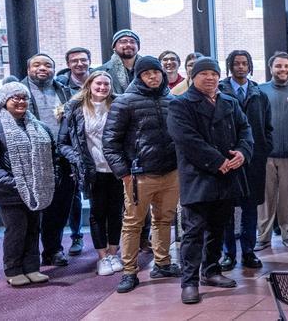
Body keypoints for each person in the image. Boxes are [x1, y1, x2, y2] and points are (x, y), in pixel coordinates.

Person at [167, 56, 253, 305]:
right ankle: (189, 282)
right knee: (193, 231)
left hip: (227, 175)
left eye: (214, 74)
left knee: (219, 227)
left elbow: (246, 129)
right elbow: (186, 139)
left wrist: (243, 152)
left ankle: (211, 270)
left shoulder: (229, 102)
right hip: (198, 176)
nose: (210, 78)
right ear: (193, 77)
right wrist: (217, 161)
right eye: (204, 73)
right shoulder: (180, 104)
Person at [104, 56, 181, 294]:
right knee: (132, 224)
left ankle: (163, 263)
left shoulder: (172, 100)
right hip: (139, 175)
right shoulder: (124, 101)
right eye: (147, 73)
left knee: (164, 220)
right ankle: (129, 271)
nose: (153, 77)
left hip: (171, 172)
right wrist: (124, 173)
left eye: (156, 72)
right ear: (139, 76)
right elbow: (110, 142)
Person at [0, 82, 57, 287]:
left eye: (24, 98)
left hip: (36, 190)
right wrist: (16, 184)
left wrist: (48, 178)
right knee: (16, 230)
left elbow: (51, 157)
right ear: (5, 101)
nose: (21, 102)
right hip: (9, 192)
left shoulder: (39, 127)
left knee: (33, 229)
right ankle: (13, 270)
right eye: (15, 98)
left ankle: (32, 268)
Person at [59, 70, 124, 276]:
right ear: (89, 85)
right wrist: (78, 159)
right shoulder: (75, 109)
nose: (102, 87)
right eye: (98, 84)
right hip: (92, 170)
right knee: (97, 213)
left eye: (106, 84)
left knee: (116, 213)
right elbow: (63, 143)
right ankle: (102, 257)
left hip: (116, 169)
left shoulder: (119, 105)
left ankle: (113, 253)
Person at [17, 54, 74, 268]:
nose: (43, 68)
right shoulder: (17, 91)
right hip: (32, 158)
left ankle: (53, 250)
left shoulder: (64, 91)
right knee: (32, 210)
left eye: (48, 65)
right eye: (37, 65)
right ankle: (28, 256)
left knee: (60, 206)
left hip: (63, 157)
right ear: (28, 69)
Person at [218, 51, 272, 271]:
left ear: (250, 67)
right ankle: (228, 253)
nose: (240, 67)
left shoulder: (259, 94)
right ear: (230, 66)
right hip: (228, 159)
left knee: (250, 208)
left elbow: (267, 127)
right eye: (236, 63)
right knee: (226, 210)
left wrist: (264, 149)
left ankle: (248, 251)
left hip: (254, 160)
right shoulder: (220, 92)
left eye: (244, 63)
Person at [257, 51, 288, 248]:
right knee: (265, 200)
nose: (283, 69)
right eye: (278, 66)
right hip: (266, 156)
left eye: (286, 66)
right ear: (271, 68)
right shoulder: (259, 91)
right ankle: (263, 237)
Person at [56, 47, 91, 255]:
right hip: (70, 146)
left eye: (83, 60)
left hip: (94, 147)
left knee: (99, 198)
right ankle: (76, 236)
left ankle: (105, 240)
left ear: (89, 61)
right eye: (74, 60)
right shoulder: (60, 86)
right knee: (73, 197)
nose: (79, 64)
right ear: (68, 64)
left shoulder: (98, 81)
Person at [100, 29, 142, 95]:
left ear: (138, 47)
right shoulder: (101, 71)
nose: (128, 44)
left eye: (132, 42)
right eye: (123, 42)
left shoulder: (150, 69)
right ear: (114, 47)